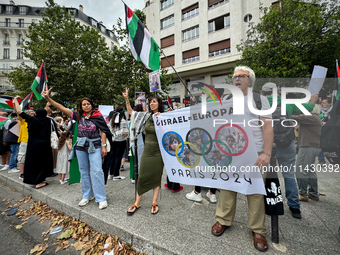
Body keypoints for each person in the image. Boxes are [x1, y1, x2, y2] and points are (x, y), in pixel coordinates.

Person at [211, 66, 273, 252]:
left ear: (250, 80)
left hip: (255, 155)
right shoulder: (228, 101)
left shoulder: (260, 100)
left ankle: (257, 229)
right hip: (232, 154)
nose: (236, 79)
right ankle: (223, 219)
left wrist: (266, 153)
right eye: (235, 76)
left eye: (241, 76)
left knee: (255, 193)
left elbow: (268, 127)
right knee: (227, 188)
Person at [42, 86, 111, 210]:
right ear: (81, 106)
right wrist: (48, 98)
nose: (86, 106)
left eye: (88, 104)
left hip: (95, 146)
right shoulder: (77, 116)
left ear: (92, 105)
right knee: (83, 171)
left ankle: (101, 197)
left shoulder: (98, 116)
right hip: (80, 146)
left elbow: (103, 131)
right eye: (83, 104)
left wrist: (104, 146)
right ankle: (87, 195)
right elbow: (61, 107)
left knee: (97, 171)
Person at [261, 82, 317, 219]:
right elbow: (309, 107)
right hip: (287, 145)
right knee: (289, 176)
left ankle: (266, 202)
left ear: (263, 93)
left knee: (266, 176)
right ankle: (294, 207)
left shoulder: (260, 103)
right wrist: (313, 99)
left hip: (267, 147)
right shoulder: (288, 103)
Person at [123, 88, 164, 215]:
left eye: (154, 102)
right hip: (147, 151)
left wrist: (161, 120)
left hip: (159, 152)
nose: (152, 104)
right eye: (150, 102)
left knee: (156, 178)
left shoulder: (165, 116)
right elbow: (132, 113)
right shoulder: (146, 116)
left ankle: (154, 202)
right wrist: (126, 99)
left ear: (159, 104)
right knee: (141, 176)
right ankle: (138, 202)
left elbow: (169, 133)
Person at [12, 96, 56, 189]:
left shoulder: (32, 120)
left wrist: (15, 101)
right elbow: (43, 113)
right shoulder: (48, 120)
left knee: (33, 163)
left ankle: (36, 180)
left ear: (36, 114)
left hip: (33, 146)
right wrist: (47, 105)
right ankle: (40, 180)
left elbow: (20, 112)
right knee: (43, 163)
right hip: (45, 146)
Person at [292, 106, 322, 202]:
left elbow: (293, 117)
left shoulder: (311, 117)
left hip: (308, 146)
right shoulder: (313, 118)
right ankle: (313, 193)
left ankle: (303, 193)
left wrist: (287, 111)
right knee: (309, 170)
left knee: (301, 169)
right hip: (312, 146)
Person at [107, 106, 129, 181]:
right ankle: (116, 174)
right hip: (121, 141)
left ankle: (111, 174)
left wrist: (115, 135)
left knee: (113, 157)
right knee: (118, 157)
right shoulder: (123, 121)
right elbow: (125, 133)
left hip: (113, 141)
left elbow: (110, 130)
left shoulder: (111, 120)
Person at [318, 98, 332, 164]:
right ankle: (321, 159)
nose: (322, 104)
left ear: (329, 104)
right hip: (320, 130)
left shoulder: (332, 111)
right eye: (322, 102)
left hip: (330, 131)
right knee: (320, 144)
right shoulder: (319, 111)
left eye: (324, 103)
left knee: (330, 145)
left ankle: (333, 160)